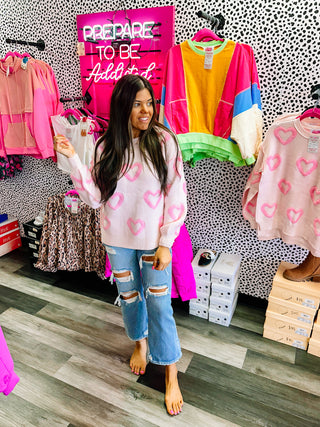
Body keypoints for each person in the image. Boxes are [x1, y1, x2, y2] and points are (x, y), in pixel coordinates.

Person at [53, 74, 187, 416]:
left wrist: (166, 242)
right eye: (137, 104)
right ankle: (140, 344)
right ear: (122, 107)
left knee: (160, 306)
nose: (146, 111)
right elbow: (96, 198)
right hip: (117, 239)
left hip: (153, 241)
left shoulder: (164, 141)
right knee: (129, 298)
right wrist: (72, 159)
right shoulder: (105, 147)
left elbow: (175, 194)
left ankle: (171, 371)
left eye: (149, 103)